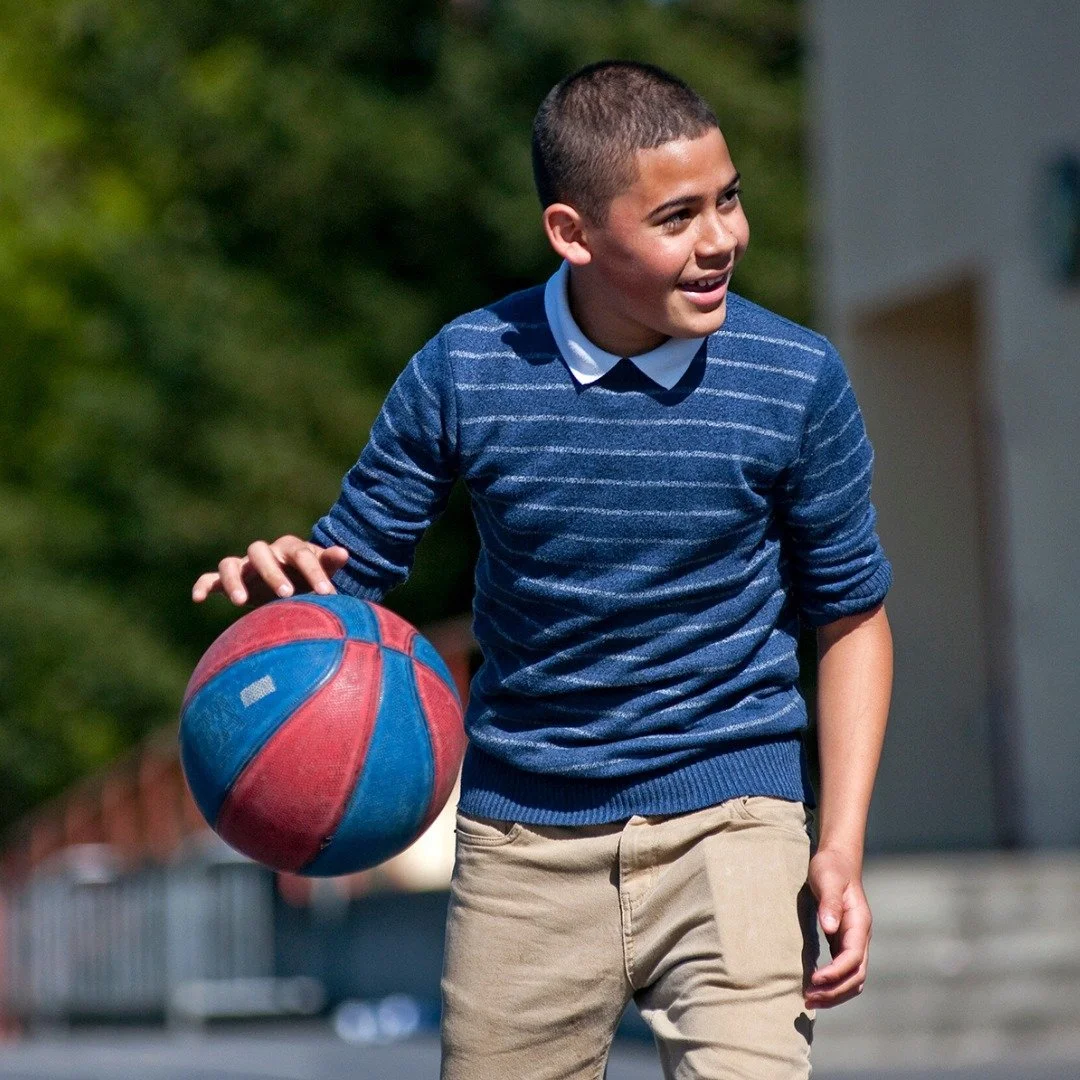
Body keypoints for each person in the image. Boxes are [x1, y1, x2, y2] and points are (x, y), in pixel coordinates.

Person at [193, 60, 894, 1080]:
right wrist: (290, 589)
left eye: (729, 199)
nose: (721, 240)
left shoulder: (795, 379)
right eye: (677, 217)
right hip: (525, 843)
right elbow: (351, 575)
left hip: (735, 825)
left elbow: (852, 618)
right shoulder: (467, 369)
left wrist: (841, 841)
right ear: (573, 232)